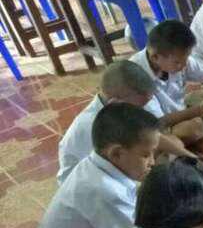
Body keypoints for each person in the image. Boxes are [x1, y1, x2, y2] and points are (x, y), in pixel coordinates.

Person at [34, 104, 160, 228]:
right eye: (146, 155)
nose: (152, 162)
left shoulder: (95, 164)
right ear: (116, 154)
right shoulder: (103, 190)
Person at [57, 61, 192, 185]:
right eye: (139, 107)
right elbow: (111, 169)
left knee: (170, 147)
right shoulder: (91, 125)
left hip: (111, 168)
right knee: (162, 172)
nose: (142, 111)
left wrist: (191, 156)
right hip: (91, 184)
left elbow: (155, 135)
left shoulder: (117, 109)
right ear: (116, 103)